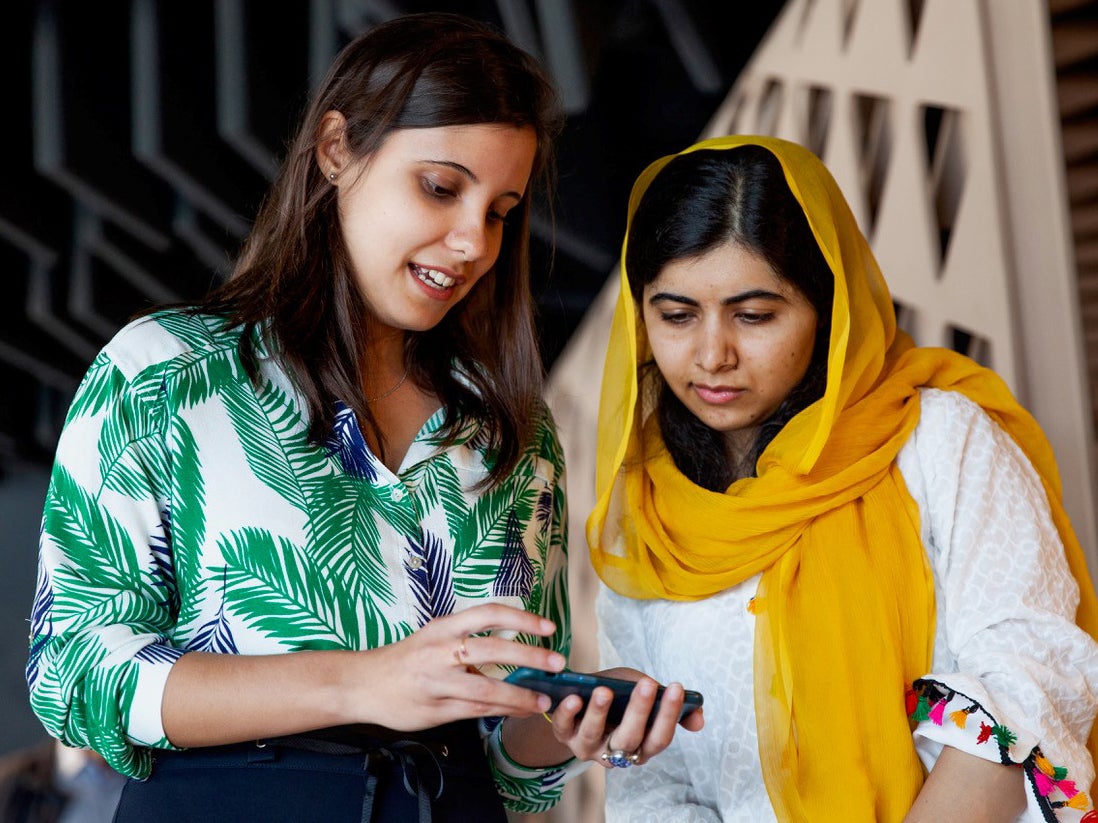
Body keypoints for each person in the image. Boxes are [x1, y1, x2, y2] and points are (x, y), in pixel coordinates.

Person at [26, 13, 696, 822]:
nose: (470, 241)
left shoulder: (507, 428)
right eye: (442, 187)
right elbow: (78, 674)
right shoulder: (164, 373)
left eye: (500, 209)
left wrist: (573, 720)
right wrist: (366, 677)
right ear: (337, 148)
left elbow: (510, 766)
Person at [587, 134, 1098, 822]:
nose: (712, 354)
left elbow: (1030, 677)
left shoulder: (935, 440)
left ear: (830, 309)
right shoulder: (647, 517)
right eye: (675, 315)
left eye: (755, 315)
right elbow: (654, 786)